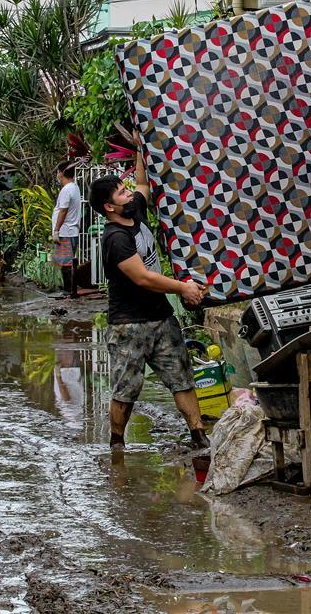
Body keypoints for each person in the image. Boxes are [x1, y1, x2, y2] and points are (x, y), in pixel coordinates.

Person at [89, 135, 209, 451]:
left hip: (161, 318)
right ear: (109, 207)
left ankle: (199, 436)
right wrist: (183, 287)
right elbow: (143, 278)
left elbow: (143, 184)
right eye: (121, 192)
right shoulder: (115, 238)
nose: (130, 194)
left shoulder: (134, 209)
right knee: (126, 392)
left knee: (181, 379)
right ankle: (117, 444)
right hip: (129, 325)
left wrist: (141, 147)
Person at [52, 161, 82, 297]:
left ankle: (68, 291)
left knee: (65, 263)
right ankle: (70, 290)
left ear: (61, 173)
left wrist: (56, 230)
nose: (57, 174)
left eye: (58, 171)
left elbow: (63, 211)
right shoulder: (74, 187)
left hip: (66, 231)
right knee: (68, 262)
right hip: (72, 231)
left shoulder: (66, 190)